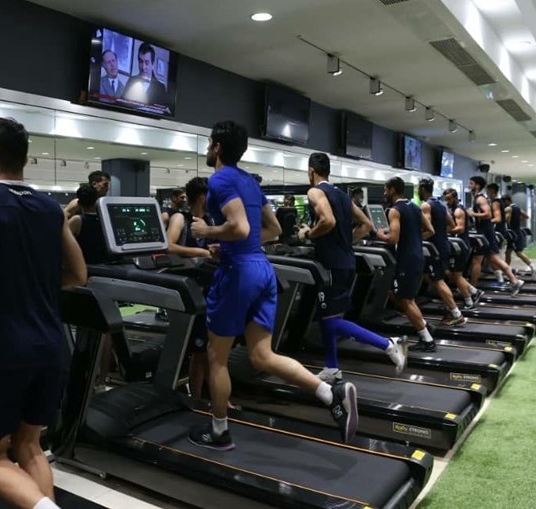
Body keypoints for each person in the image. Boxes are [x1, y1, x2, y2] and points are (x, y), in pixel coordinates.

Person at [188, 120, 358, 450]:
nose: (208, 148)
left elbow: (239, 227)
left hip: (238, 273)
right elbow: (274, 229)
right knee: (262, 356)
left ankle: (219, 432)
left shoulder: (220, 179)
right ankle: (330, 393)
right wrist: (230, 243)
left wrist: (206, 232)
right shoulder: (250, 182)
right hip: (262, 270)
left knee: (216, 356)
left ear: (218, 147)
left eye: (209, 143)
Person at [0, 118, 87, 509]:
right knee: (30, 445)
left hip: (4, 348)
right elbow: (78, 274)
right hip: (50, 344)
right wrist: (33, 281)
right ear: (25, 159)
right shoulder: (51, 209)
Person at [297, 153, 406, 384]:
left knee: (330, 321)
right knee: (328, 316)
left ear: (311, 171)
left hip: (332, 265)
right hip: (346, 262)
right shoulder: (342, 195)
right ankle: (332, 367)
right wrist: (346, 241)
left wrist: (308, 234)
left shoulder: (315, 192)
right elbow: (366, 224)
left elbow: (328, 221)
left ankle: (388, 344)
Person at [375, 177, 438, 352]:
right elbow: (430, 230)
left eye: (385, 189)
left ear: (392, 190)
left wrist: (379, 235)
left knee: (406, 300)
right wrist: (414, 239)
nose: (384, 193)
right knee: (394, 294)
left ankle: (427, 339)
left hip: (407, 259)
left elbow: (393, 238)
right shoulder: (415, 207)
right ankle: (424, 324)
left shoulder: (395, 210)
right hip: (417, 256)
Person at [165, 177, 214, 400]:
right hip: (187, 288)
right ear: (202, 197)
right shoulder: (180, 218)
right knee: (198, 348)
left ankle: (207, 395)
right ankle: (196, 398)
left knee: (207, 348)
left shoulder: (210, 220)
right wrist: (202, 252)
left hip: (209, 287)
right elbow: (169, 246)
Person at [417, 179, 466, 327]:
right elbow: (451, 225)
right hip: (443, 245)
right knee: (431, 277)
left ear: (423, 189)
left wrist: (416, 238)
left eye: (419, 188)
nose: (418, 191)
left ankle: (456, 314)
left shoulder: (426, 205)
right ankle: (449, 307)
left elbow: (427, 229)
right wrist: (441, 234)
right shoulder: (441, 204)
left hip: (435, 248)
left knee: (437, 280)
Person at [466, 176, 525, 295]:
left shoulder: (480, 199)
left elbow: (488, 215)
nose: (469, 186)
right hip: (486, 232)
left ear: (477, 185)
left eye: (471, 183)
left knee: (476, 261)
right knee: (494, 259)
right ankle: (515, 281)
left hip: (485, 233)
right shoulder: (478, 198)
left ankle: (473, 289)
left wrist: (472, 214)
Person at [443, 188, 483, 308]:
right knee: (451, 273)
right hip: (457, 246)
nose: (447, 201)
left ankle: (470, 300)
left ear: (455, 198)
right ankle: (473, 291)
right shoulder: (453, 209)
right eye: (446, 199)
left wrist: (444, 231)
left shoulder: (458, 211)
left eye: (449, 199)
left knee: (456, 276)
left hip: (460, 247)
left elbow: (460, 228)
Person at [68, 183, 105, 264]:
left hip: (86, 265)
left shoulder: (77, 220)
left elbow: (63, 241)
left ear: (78, 203)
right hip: (105, 264)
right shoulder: (105, 220)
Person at [503, 195, 536, 276]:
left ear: (507, 201)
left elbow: (507, 220)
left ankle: (534, 268)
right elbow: (526, 216)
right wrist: (517, 220)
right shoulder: (517, 208)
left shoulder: (508, 208)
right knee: (508, 253)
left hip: (513, 234)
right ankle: (506, 270)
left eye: (503, 202)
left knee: (518, 252)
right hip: (516, 232)